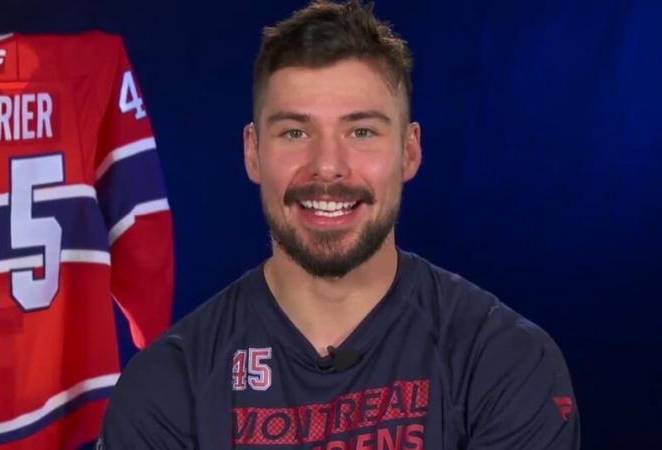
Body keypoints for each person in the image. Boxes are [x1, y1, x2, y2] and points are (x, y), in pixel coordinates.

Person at [99, 1, 580, 448]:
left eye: (361, 131)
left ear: (409, 151)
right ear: (253, 152)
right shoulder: (165, 387)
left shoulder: (504, 362)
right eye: (295, 132)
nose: (327, 166)